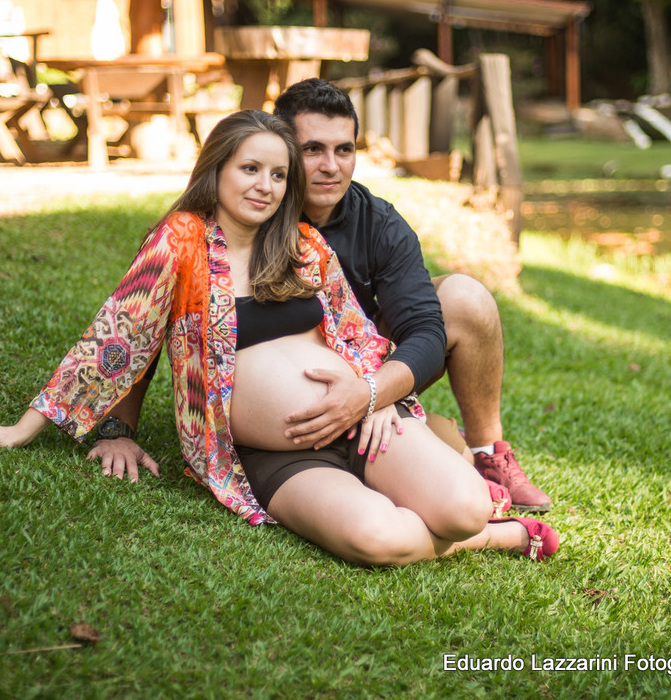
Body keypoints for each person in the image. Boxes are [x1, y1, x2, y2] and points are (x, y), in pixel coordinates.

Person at [0, 110, 557, 565]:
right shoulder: (179, 243)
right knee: (384, 539)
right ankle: (497, 536)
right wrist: (29, 428)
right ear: (218, 170)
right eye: (250, 168)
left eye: (279, 174)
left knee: (465, 504)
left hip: (362, 425)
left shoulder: (304, 247)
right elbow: (118, 338)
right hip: (274, 456)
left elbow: (358, 332)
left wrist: (375, 395)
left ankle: (472, 520)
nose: (265, 185)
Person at [98, 79, 552, 512]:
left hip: (360, 362)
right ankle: (417, 443)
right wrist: (119, 427)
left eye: (344, 150)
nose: (330, 166)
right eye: (312, 149)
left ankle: (486, 450)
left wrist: (372, 392)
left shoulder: (378, 223)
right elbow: (147, 321)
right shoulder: (239, 213)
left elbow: (427, 335)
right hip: (258, 401)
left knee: (465, 298)